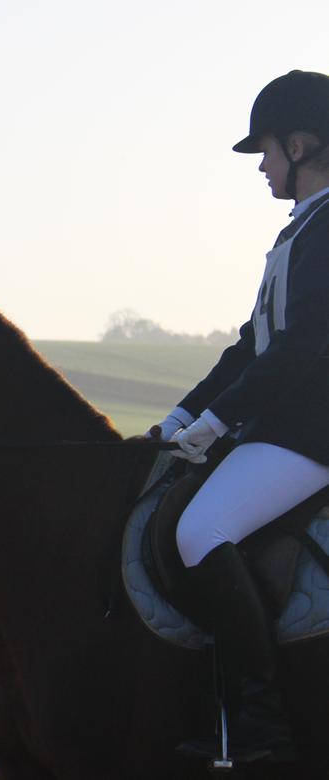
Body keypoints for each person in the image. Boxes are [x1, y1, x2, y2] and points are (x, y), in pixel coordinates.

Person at [147, 70, 329, 761]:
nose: (261, 164)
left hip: (312, 432)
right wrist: (180, 417)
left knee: (202, 529)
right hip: (280, 428)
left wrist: (220, 423)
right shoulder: (299, 232)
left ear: (303, 143)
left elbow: (304, 345)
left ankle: (263, 729)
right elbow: (249, 347)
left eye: (267, 150)